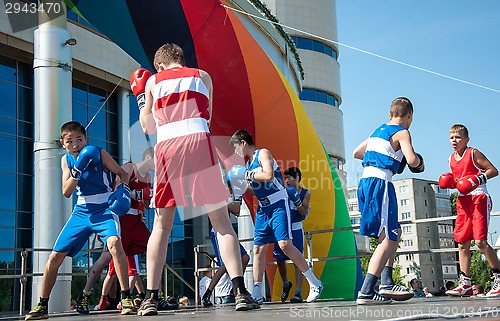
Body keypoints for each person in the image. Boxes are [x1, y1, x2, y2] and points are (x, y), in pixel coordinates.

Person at [131, 43, 258, 315]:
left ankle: (150, 298)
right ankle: (240, 292)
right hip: (199, 141)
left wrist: (142, 99)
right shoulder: (203, 76)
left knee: (162, 227)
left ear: (160, 65)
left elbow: (147, 126)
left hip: (168, 147)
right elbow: (207, 117)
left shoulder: (153, 81)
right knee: (222, 222)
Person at [25, 121, 135, 320]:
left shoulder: (99, 153)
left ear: (86, 139)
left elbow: (122, 173)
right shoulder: (66, 161)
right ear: (63, 143)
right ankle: (42, 305)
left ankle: (126, 297)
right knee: (54, 257)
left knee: (114, 243)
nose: (75, 144)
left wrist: (123, 189)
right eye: (70, 141)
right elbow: (66, 192)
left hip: (104, 208)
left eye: (79, 139)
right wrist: (77, 170)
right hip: (81, 211)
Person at [229, 130, 323, 304]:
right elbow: (255, 188)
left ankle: (314, 283)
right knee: (257, 250)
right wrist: (239, 185)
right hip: (263, 208)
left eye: (235, 147)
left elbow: (269, 176)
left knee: (285, 245)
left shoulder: (262, 153)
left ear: (243, 143)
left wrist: (245, 175)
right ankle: (257, 294)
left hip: (278, 203)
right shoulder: (249, 164)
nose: (235, 152)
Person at [353, 97, 423, 305]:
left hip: (366, 181)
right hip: (381, 183)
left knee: (394, 232)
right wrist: (419, 162)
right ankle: (366, 291)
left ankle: (386, 281)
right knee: (388, 239)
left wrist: (387, 155)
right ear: (409, 116)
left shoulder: (377, 131)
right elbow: (412, 161)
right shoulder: (402, 132)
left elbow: (357, 153)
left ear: (390, 114)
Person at [440, 124, 500, 298]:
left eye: (458, 137)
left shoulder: (473, 153)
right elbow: (459, 182)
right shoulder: (451, 158)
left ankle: (498, 277)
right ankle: (465, 284)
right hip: (463, 200)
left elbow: (493, 170)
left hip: (479, 198)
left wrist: (477, 178)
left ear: (466, 139)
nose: (454, 140)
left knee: (480, 242)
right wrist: (451, 182)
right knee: (462, 243)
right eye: (451, 137)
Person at [202, 179, 250, 307]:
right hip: (218, 232)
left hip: (227, 232)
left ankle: (237, 288)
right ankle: (208, 293)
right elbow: (236, 210)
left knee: (245, 258)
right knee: (224, 265)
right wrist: (238, 197)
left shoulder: (224, 197)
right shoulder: (218, 197)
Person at [273, 167, 311, 303]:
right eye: (286, 178)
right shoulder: (282, 191)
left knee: (297, 260)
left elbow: (302, 212)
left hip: (296, 229)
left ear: (297, 178)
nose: (287, 181)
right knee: (279, 258)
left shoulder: (306, 193)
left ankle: (298, 292)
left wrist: (296, 199)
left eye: (289, 178)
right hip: (282, 228)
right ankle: (285, 283)